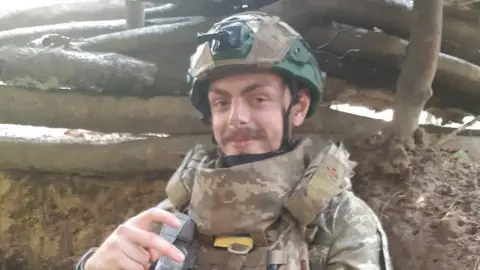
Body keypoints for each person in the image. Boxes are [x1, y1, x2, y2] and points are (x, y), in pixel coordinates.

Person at [76, 11, 393, 270]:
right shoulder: (172, 216)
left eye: (258, 99)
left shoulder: (339, 222)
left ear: (298, 107)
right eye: (221, 103)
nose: (235, 118)